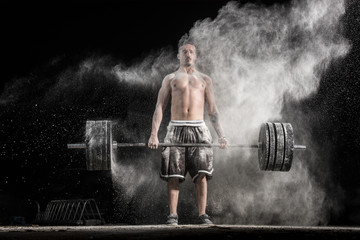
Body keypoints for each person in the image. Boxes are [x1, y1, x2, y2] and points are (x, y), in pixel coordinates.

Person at [148, 43, 228, 225]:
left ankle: (202, 215)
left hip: (199, 129)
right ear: (178, 55)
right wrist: (154, 134)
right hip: (175, 128)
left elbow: (212, 110)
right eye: (184, 51)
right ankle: (173, 215)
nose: (188, 54)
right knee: (173, 175)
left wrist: (221, 136)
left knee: (201, 174)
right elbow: (160, 107)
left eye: (191, 52)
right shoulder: (170, 79)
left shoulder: (205, 80)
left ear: (196, 56)